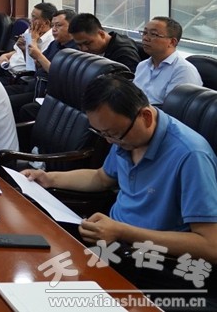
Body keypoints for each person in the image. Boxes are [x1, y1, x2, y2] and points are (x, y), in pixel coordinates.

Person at [23, 74, 217, 308]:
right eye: (102, 133)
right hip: (113, 243)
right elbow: (101, 178)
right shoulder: (127, 136)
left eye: (113, 134)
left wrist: (121, 231)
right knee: (36, 252)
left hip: (156, 260)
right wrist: (49, 178)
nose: (109, 141)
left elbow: (210, 245)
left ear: (146, 117)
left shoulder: (191, 156)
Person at [133, 17, 202, 105]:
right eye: (144, 33)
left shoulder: (184, 71)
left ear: (172, 42)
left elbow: (175, 109)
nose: (145, 38)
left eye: (153, 34)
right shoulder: (142, 65)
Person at [0, 2, 56, 80]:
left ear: (46, 23)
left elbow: (34, 67)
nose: (30, 20)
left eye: (34, 17)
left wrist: (32, 41)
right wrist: (5, 56)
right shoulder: (30, 30)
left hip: (18, 77)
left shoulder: (51, 41)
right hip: (7, 68)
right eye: (31, 16)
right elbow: (17, 52)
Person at [68, 13, 142, 72]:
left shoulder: (124, 54)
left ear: (101, 34)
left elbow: (129, 83)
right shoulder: (98, 50)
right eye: (79, 45)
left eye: (88, 43)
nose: (84, 49)